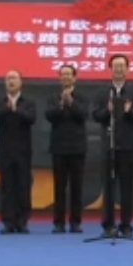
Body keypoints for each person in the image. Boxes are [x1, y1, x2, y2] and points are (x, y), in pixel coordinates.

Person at [91, 54, 133, 238]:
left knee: (127, 187)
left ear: (127, 69)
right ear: (111, 69)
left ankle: (126, 225)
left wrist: (130, 111)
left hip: (128, 146)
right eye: (116, 66)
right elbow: (96, 116)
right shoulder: (103, 93)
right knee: (108, 187)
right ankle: (108, 225)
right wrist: (108, 111)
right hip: (109, 146)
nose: (119, 69)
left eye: (122, 66)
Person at [0, 70, 37, 234]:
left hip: (23, 150)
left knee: (23, 185)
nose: (11, 81)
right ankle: (8, 221)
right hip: (5, 149)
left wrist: (16, 109)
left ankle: (23, 220)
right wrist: (7, 108)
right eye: (8, 79)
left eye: (14, 78)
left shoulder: (28, 102)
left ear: (20, 82)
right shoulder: (0, 102)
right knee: (7, 186)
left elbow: (32, 118)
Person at [44, 63, 88, 233]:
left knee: (77, 187)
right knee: (59, 187)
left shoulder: (82, 97)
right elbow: (49, 116)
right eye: (63, 74)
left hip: (77, 148)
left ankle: (75, 222)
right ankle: (59, 222)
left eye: (69, 74)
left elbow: (83, 115)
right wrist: (62, 104)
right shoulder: (53, 97)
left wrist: (71, 103)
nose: (66, 77)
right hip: (59, 148)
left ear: (74, 78)